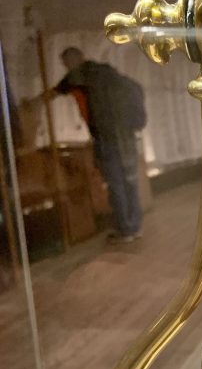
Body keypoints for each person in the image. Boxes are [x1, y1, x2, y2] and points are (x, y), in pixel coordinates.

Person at [46, 47, 144, 243]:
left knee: (115, 184)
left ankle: (125, 231)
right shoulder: (107, 73)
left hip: (106, 138)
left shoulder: (78, 76)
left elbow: (53, 93)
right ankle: (135, 227)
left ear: (73, 60)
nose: (66, 68)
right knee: (130, 181)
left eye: (65, 64)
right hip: (126, 136)